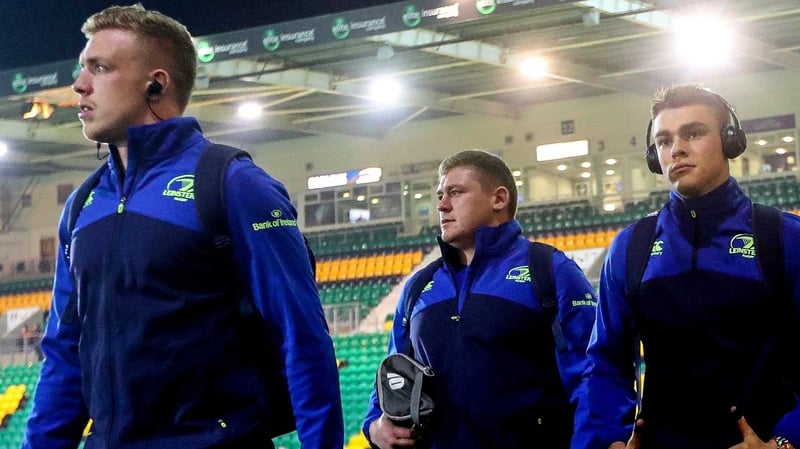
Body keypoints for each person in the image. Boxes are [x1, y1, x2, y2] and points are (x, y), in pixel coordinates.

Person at [22, 4, 343, 449]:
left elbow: (302, 336)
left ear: (156, 83)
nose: (79, 85)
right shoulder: (81, 207)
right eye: (83, 68)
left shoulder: (234, 184)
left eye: (101, 68)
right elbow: (64, 354)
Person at [575, 84, 800, 449]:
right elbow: (604, 363)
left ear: (729, 141)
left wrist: (787, 440)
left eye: (693, 133)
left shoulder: (784, 238)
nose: (676, 148)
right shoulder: (631, 247)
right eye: (663, 140)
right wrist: (606, 440)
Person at [362, 149, 598, 448]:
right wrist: (374, 425)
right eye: (439, 196)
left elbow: (591, 376)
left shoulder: (550, 271)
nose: (442, 205)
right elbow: (394, 373)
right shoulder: (419, 287)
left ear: (499, 199)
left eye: (456, 192)